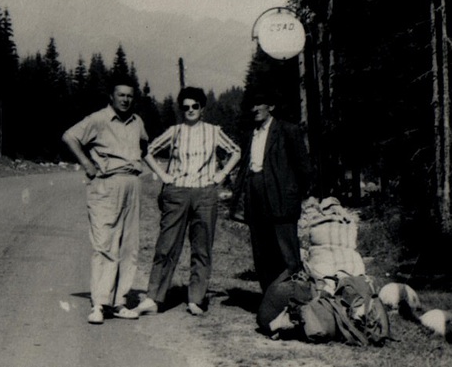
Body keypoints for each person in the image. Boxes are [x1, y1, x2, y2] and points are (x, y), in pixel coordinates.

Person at [136, 87, 241, 316]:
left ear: (202, 108)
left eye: (195, 106)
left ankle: (196, 298)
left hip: (205, 193)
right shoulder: (174, 132)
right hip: (177, 192)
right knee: (167, 245)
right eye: (185, 107)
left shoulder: (214, 132)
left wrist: (220, 176)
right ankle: (153, 297)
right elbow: (147, 151)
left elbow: (236, 152)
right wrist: (164, 176)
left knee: (202, 248)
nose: (190, 110)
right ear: (181, 109)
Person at [62, 77, 148, 324]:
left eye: (129, 95)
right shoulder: (99, 119)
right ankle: (99, 304)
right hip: (106, 184)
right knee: (104, 243)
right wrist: (87, 163)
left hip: (132, 183)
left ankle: (120, 302)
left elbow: (145, 145)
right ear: (111, 96)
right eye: (120, 95)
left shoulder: (137, 121)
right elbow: (70, 136)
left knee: (129, 245)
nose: (125, 99)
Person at [228, 90, 312, 294]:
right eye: (252, 105)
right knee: (262, 251)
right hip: (255, 195)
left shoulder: (287, 130)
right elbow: (245, 166)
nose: (255, 109)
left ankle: (296, 301)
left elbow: (304, 168)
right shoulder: (251, 134)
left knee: (287, 253)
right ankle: (270, 300)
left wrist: (294, 195)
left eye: (260, 103)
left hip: (281, 199)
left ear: (271, 106)